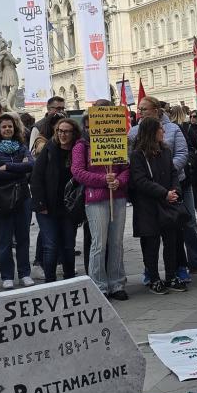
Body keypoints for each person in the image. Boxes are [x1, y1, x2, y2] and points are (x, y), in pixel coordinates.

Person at [128, 95, 197, 280]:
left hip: (175, 186)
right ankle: (151, 272)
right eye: (139, 109)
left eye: (144, 109)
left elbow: (182, 154)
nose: (140, 112)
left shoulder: (173, 129)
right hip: (150, 192)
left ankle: (187, 265)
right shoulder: (133, 133)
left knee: (181, 226)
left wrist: (165, 174)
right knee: (151, 234)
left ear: (156, 110)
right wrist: (156, 178)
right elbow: (133, 163)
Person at [73, 100, 130, 299]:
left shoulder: (118, 140)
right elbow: (78, 171)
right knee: (99, 243)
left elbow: (125, 169)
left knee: (116, 242)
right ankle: (98, 284)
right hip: (95, 198)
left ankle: (117, 283)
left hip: (118, 197)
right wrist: (102, 179)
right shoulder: (82, 145)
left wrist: (119, 181)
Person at [129, 117, 186, 295]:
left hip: (168, 205)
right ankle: (154, 278)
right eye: (160, 129)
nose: (163, 131)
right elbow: (140, 180)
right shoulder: (138, 154)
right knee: (151, 244)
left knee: (171, 242)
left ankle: (171, 276)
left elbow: (173, 173)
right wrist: (164, 193)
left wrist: (175, 191)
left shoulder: (166, 151)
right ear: (151, 132)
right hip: (148, 207)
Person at [0, 113, 34, 290]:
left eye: (10, 126)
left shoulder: (21, 146)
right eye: (4, 126)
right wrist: (20, 169)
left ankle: (24, 273)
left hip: (22, 196)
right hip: (2, 197)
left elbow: (31, 165)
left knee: (23, 237)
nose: (7, 129)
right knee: (4, 239)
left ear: (15, 128)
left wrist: (8, 166)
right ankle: (7, 276)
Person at [30, 117, 81, 282]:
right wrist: (40, 203)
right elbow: (36, 177)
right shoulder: (49, 149)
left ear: (74, 134)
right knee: (50, 246)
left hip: (69, 207)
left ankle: (69, 278)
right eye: (59, 131)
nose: (62, 134)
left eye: (66, 131)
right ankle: (50, 281)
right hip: (47, 205)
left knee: (68, 246)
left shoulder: (78, 151)